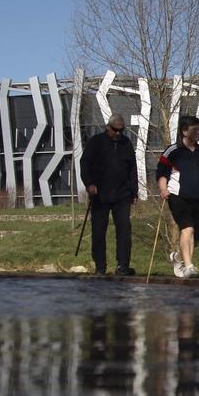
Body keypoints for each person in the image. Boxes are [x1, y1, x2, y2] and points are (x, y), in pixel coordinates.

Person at [156, 115, 199, 278]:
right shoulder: (172, 151)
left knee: (195, 233)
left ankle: (178, 258)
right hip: (178, 196)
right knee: (188, 228)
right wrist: (163, 189)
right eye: (195, 130)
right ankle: (188, 266)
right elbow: (161, 173)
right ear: (184, 131)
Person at [80, 114, 138, 276]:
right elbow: (84, 164)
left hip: (122, 194)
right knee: (99, 231)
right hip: (100, 194)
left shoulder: (126, 144)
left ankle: (123, 266)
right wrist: (89, 183)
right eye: (115, 130)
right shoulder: (96, 142)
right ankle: (100, 267)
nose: (118, 133)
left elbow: (132, 168)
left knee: (124, 230)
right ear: (108, 127)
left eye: (122, 130)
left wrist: (134, 191)